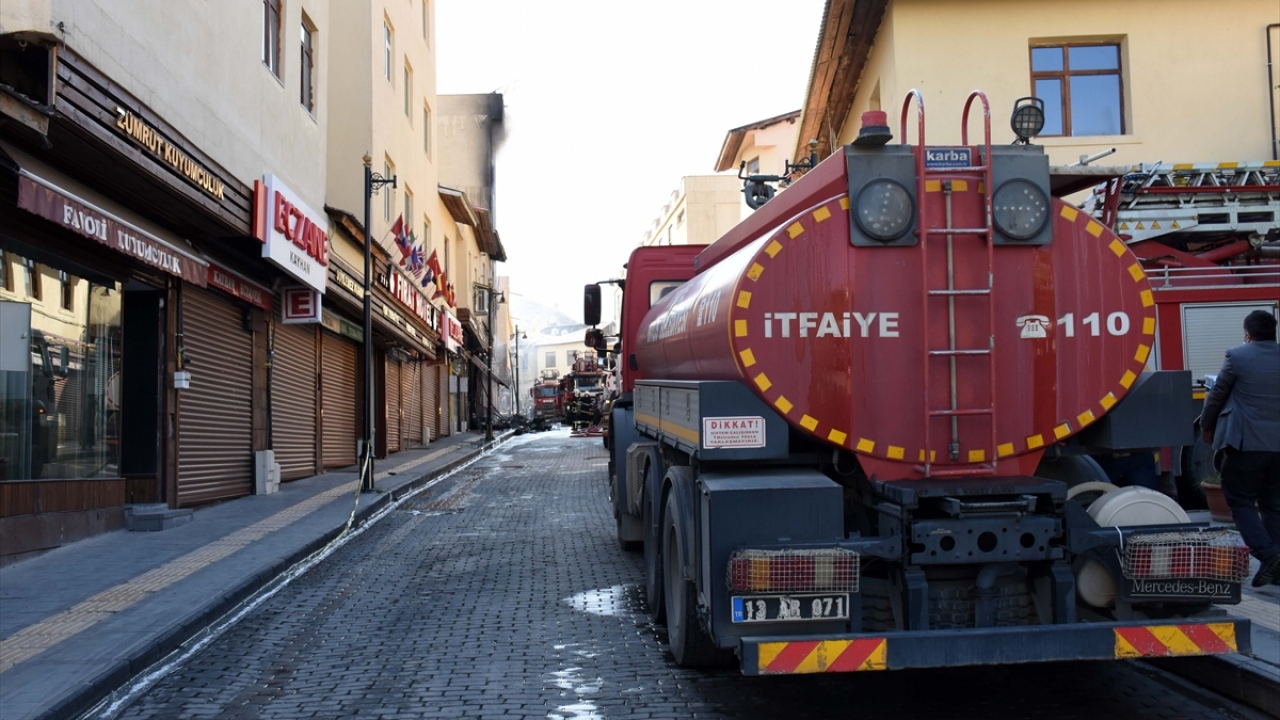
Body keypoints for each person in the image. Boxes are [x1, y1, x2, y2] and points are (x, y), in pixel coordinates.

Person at [1200, 310, 1280, 587]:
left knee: (1240, 500)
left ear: (1247, 334)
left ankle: (1269, 554)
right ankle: (1278, 567)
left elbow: (1217, 395)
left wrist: (1206, 427)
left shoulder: (1237, 356)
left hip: (1247, 443)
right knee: (1274, 505)